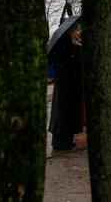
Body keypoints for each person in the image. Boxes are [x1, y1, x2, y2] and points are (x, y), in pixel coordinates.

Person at [48, 22, 84, 150]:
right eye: (78, 30)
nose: (79, 33)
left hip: (72, 85)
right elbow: (66, 64)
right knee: (63, 112)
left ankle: (68, 140)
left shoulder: (74, 45)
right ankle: (60, 142)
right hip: (65, 85)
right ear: (71, 31)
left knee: (70, 112)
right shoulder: (64, 47)